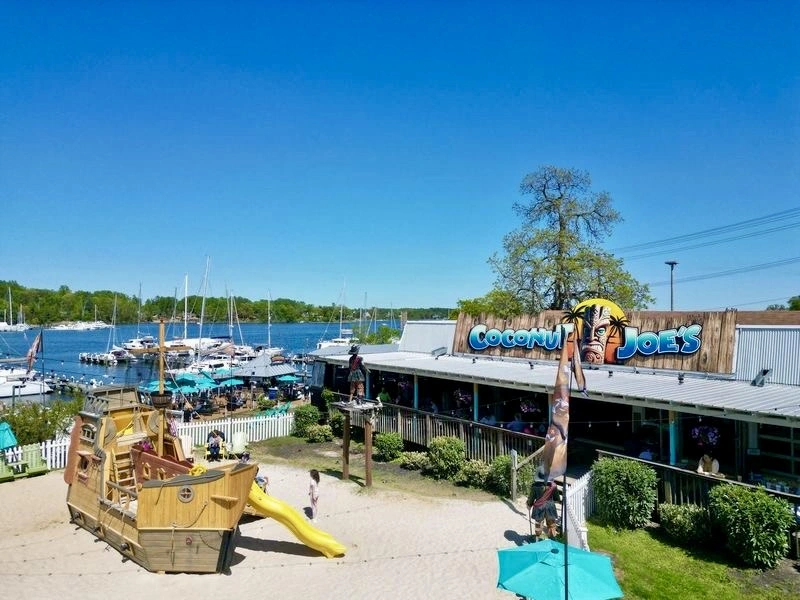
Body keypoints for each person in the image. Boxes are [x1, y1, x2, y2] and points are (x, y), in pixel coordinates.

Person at [526, 467, 560, 540]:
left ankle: (537, 540)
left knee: (538, 526)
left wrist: (529, 504)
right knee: (552, 525)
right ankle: (552, 541)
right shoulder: (553, 486)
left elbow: (531, 499)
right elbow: (557, 499)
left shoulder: (535, 486)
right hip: (550, 507)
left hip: (539, 508)